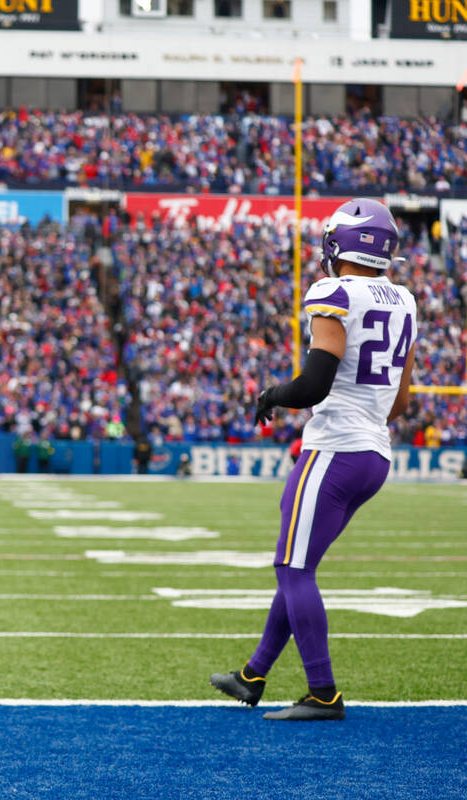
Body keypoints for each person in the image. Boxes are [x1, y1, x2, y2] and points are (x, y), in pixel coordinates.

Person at [210, 199, 418, 721]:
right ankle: (253, 675)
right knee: (297, 566)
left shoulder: (333, 291)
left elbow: (314, 384)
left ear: (339, 243)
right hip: (374, 452)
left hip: (336, 449)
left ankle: (323, 693)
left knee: (292, 566)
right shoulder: (405, 301)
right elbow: (401, 403)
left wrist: (272, 395)